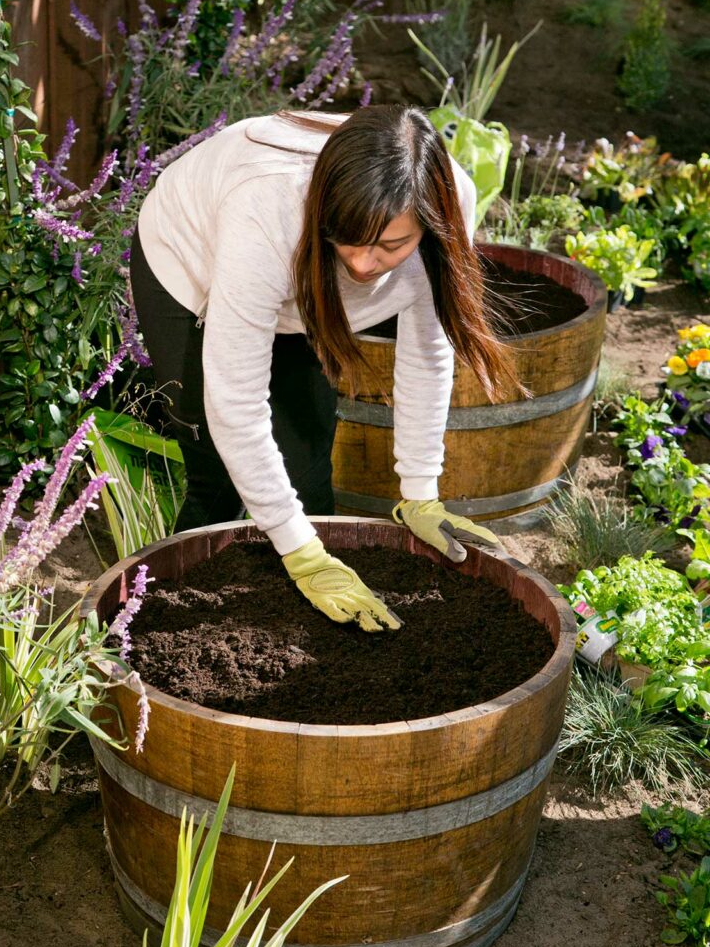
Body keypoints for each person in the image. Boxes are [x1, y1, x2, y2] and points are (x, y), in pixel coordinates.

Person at [130, 105, 522, 633]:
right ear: (327, 211)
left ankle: (307, 625)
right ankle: (157, 623)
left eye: (392, 244)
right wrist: (303, 556)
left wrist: (421, 491)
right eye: (351, 239)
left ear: (430, 223)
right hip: (190, 264)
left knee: (309, 458)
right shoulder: (267, 210)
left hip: (298, 288)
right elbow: (236, 402)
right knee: (218, 476)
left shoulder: (452, 202)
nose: (363, 264)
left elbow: (428, 349)